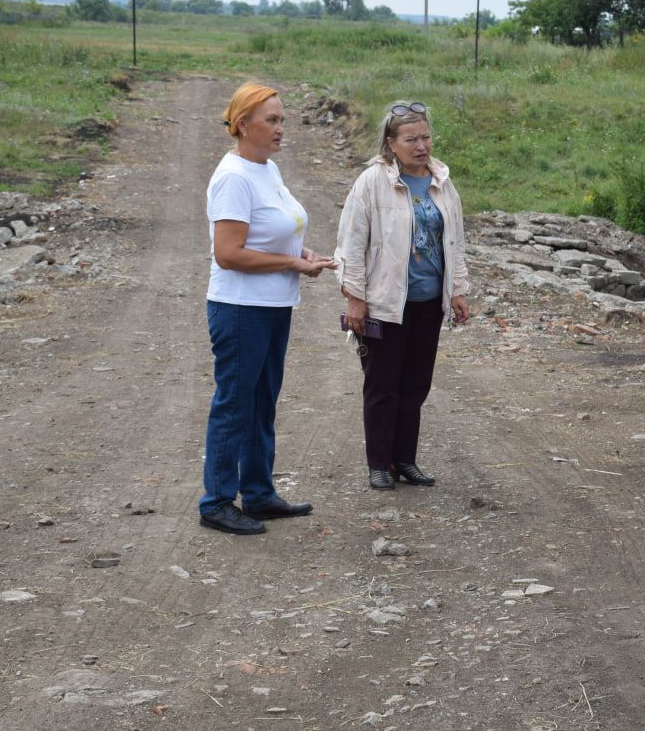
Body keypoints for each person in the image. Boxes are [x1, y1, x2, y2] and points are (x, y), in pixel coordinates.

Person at [200, 83, 337, 535]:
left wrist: (304, 254)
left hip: (275, 304)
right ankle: (217, 501)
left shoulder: (267, 169)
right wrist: (292, 262)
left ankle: (258, 494)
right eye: (272, 120)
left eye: (282, 119)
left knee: (262, 403)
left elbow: (275, 232)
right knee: (235, 404)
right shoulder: (234, 177)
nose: (282, 128)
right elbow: (229, 253)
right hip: (241, 308)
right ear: (243, 125)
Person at [335, 101, 470, 491]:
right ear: (391, 143)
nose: (421, 145)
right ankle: (379, 464)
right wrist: (354, 297)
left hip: (428, 302)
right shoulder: (372, 182)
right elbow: (352, 243)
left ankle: (405, 460)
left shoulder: (442, 181)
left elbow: (455, 241)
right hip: (385, 302)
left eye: (425, 136)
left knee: (415, 385)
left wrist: (457, 290)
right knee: (382, 385)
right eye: (411, 139)